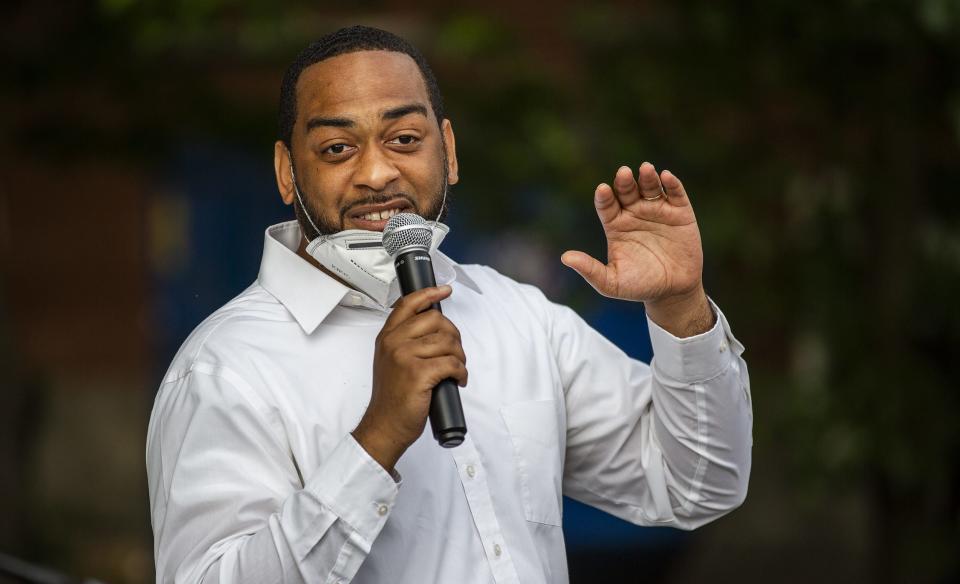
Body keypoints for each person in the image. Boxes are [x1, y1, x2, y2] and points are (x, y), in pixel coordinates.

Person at [146, 25, 753, 584]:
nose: (377, 173)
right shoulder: (225, 368)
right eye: (337, 149)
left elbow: (698, 485)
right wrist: (376, 438)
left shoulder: (518, 317)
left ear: (449, 151)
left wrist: (680, 308)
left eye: (404, 138)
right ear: (286, 172)